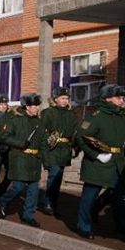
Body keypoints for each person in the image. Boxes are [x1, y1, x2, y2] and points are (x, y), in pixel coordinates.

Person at [74, 84, 125, 246]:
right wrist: (96, 155)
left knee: (123, 199)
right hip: (98, 165)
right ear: (107, 99)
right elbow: (81, 137)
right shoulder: (96, 117)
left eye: (122, 97)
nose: (122, 100)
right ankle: (83, 225)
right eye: (118, 97)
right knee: (89, 197)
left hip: (119, 163)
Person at [0, 93, 46, 228]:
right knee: (18, 186)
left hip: (34, 160)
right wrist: (20, 143)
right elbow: (4, 137)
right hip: (20, 158)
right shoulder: (15, 120)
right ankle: (3, 201)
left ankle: (28, 216)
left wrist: (44, 157)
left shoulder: (40, 122)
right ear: (27, 107)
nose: (36, 108)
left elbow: (42, 141)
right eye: (33, 106)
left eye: (37, 105)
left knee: (34, 190)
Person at [38, 87, 78, 217]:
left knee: (58, 178)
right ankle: (48, 203)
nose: (65, 101)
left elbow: (75, 132)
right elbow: (42, 133)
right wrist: (44, 153)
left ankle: (52, 203)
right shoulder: (48, 113)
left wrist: (75, 148)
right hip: (52, 149)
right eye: (62, 98)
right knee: (53, 176)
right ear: (55, 99)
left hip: (65, 149)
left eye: (67, 98)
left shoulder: (71, 114)